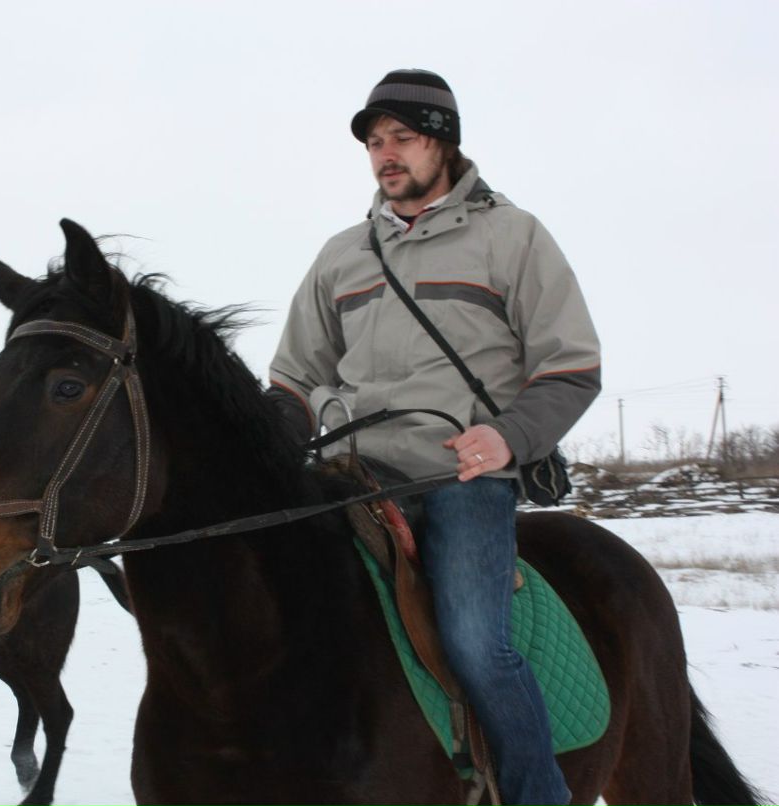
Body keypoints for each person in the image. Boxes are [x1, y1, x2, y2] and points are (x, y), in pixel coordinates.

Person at [268, 69, 600, 805]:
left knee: (478, 644)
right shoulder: (340, 255)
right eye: (375, 142)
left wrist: (507, 440)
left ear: (443, 143)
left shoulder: (512, 237)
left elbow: (571, 367)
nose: (386, 155)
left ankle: (536, 794)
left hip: (459, 477)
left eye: (404, 138)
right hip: (345, 472)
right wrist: (272, 438)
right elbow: (293, 377)